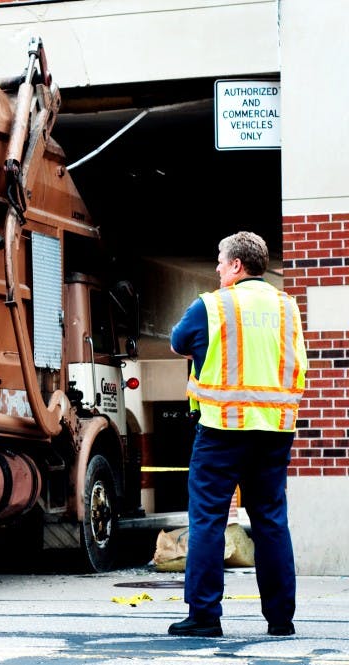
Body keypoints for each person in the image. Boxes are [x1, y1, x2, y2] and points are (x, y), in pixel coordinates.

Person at [168, 231, 307, 638]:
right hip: (276, 429)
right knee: (271, 521)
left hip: (222, 428)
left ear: (236, 266)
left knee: (208, 518)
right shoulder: (288, 307)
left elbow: (179, 344)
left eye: (219, 261)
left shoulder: (212, 305)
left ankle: (205, 616)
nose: (215, 268)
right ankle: (281, 619)